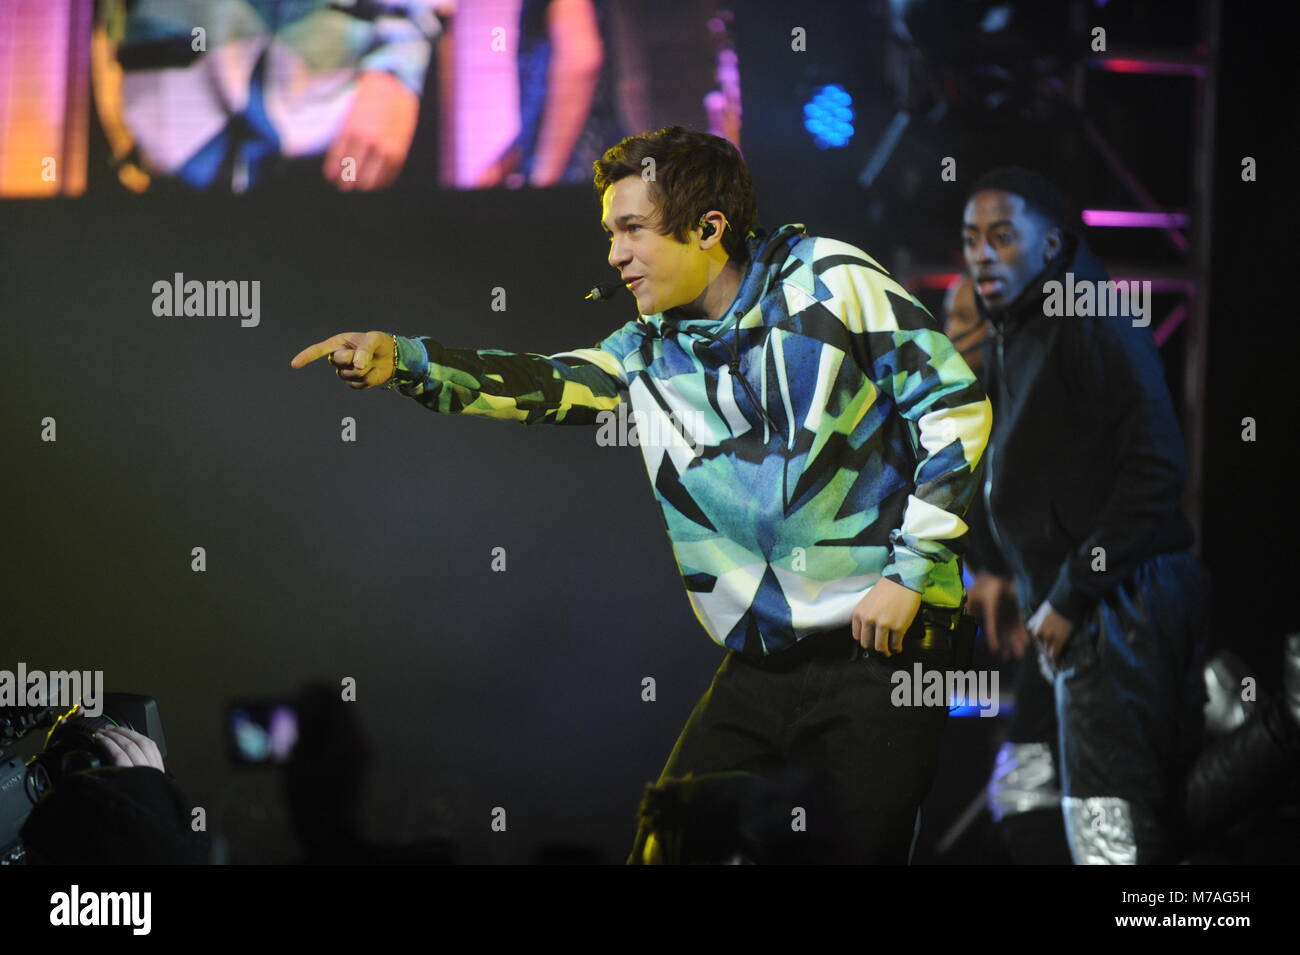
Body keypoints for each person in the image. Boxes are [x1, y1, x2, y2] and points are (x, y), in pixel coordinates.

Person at [291, 125, 992, 863]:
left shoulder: (829, 278)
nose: (614, 254)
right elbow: (541, 384)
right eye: (610, 233)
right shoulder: (648, 346)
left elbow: (953, 406)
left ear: (709, 228)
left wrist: (910, 571)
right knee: (669, 842)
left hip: (886, 646)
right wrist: (405, 360)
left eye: (631, 230)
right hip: (764, 658)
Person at [961, 166, 1211, 864]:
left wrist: (1072, 592)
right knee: (1028, 794)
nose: (981, 252)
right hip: (1066, 609)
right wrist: (1011, 575)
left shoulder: (1086, 313)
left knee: (1110, 840)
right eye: (971, 238)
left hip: (1110, 604)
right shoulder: (1022, 326)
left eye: (1002, 236)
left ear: (1049, 245)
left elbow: (1157, 469)